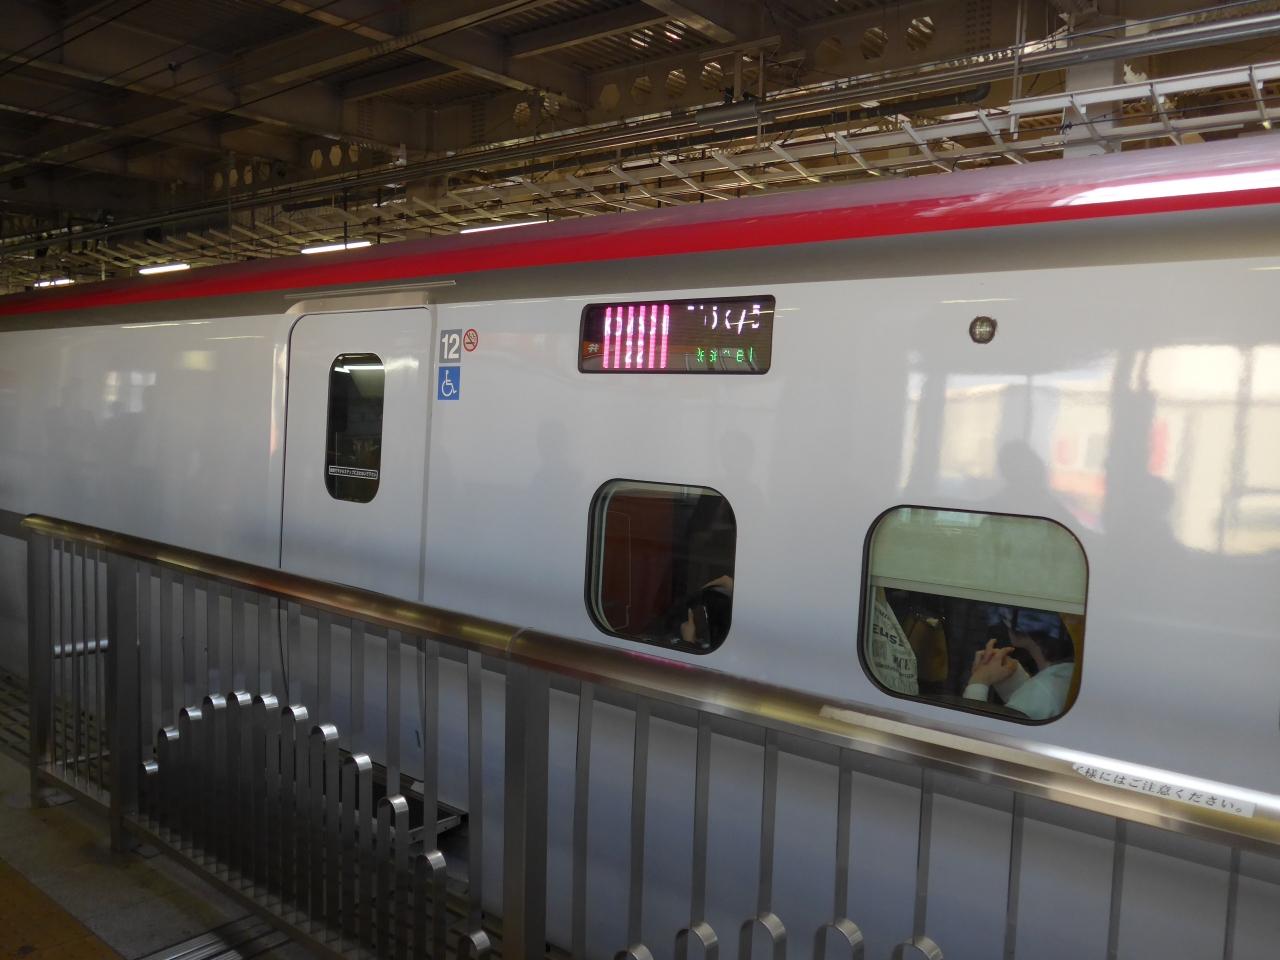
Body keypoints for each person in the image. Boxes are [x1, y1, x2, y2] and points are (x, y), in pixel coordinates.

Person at [963, 619, 1075, 720]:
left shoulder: (1043, 692)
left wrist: (978, 682)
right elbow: (1029, 706)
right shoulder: (1069, 670)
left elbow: (976, 732)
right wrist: (1012, 678)